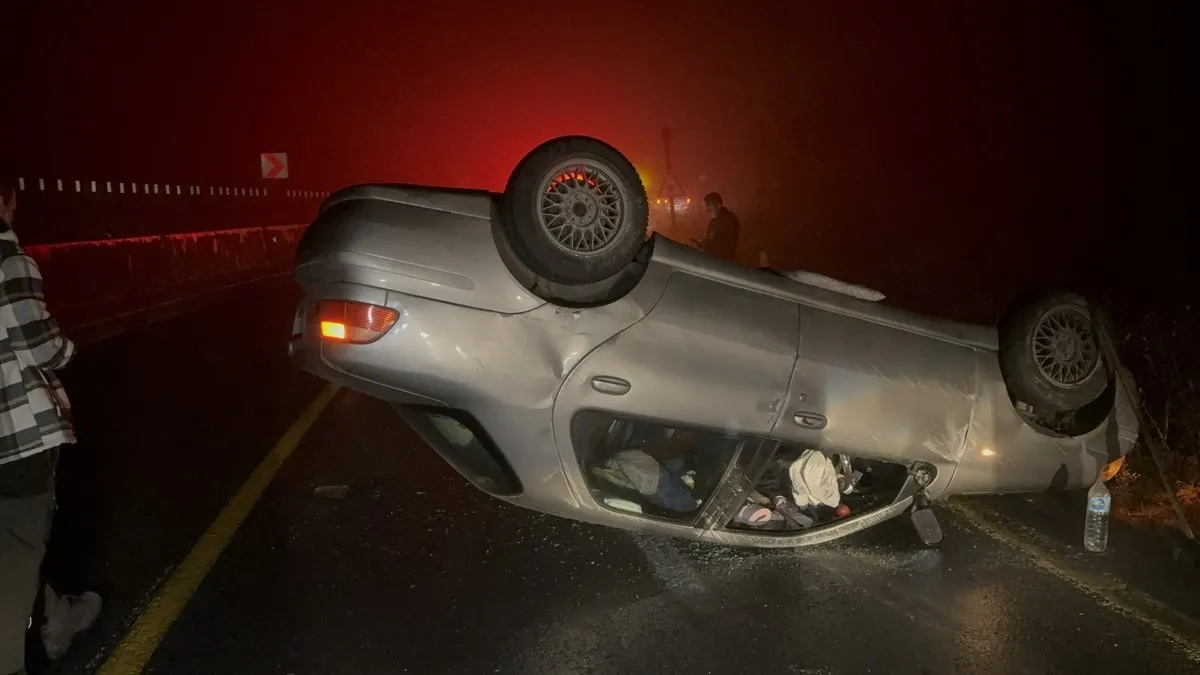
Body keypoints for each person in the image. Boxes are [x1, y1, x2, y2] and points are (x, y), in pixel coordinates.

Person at [0, 179, 101, 675]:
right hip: (15, 434)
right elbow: (40, 345)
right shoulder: (8, 258)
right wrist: (68, 349)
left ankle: (58, 617)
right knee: (18, 548)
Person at [693, 192, 741, 263]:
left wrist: (705, 244)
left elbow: (724, 243)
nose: (707, 210)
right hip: (717, 262)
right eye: (706, 206)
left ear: (718, 205)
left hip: (724, 263)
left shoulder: (728, 219)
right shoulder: (716, 220)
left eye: (709, 206)